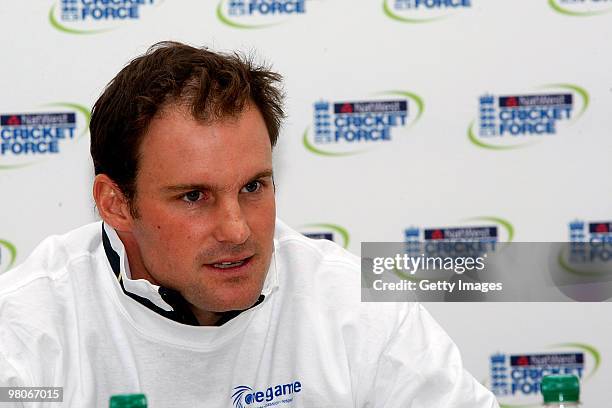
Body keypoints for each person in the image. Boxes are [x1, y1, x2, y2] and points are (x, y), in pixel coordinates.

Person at [0, 42, 498, 407]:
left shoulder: (355, 311)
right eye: (194, 196)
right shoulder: (29, 332)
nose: (237, 230)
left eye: (253, 187)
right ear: (115, 203)